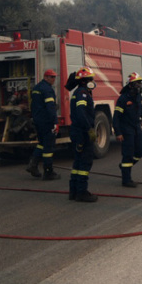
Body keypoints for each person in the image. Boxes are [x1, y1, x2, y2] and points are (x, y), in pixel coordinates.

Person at [113, 72, 142, 187]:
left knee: (140, 150)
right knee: (128, 154)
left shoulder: (138, 97)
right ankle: (126, 180)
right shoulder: (123, 98)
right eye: (137, 84)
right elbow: (116, 117)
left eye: (140, 83)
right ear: (131, 85)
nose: (139, 86)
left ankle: (125, 166)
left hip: (136, 127)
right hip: (126, 129)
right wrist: (118, 132)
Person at [68, 67, 98, 203]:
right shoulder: (82, 93)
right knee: (85, 162)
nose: (93, 82)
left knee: (78, 162)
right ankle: (82, 192)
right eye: (91, 79)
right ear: (86, 81)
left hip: (78, 131)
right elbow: (81, 112)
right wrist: (88, 129)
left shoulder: (79, 92)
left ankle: (73, 191)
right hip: (82, 132)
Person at [26, 68, 61, 180]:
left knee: (41, 143)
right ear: (46, 77)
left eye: (54, 77)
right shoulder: (47, 90)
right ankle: (48, 171)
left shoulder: (37, 88)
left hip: (38, 120)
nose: (53, 79)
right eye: (51, 77)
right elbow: (50, 107)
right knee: (49, 146)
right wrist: (55, 122)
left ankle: (33, 164)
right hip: (47, 122)